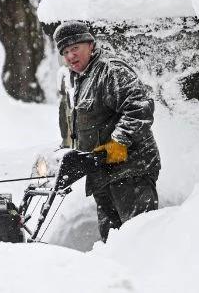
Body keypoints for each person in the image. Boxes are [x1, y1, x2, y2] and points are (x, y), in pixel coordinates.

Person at [53, 20, 160, 241]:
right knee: (113, 244)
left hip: (131, 172)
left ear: (90, 45)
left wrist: (119, 141)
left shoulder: (110, 70)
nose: (71, 56)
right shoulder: (83, 79)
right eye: (65, 52)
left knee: (141, 239)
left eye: (75, 48)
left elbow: (140, 107)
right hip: (103, 176)